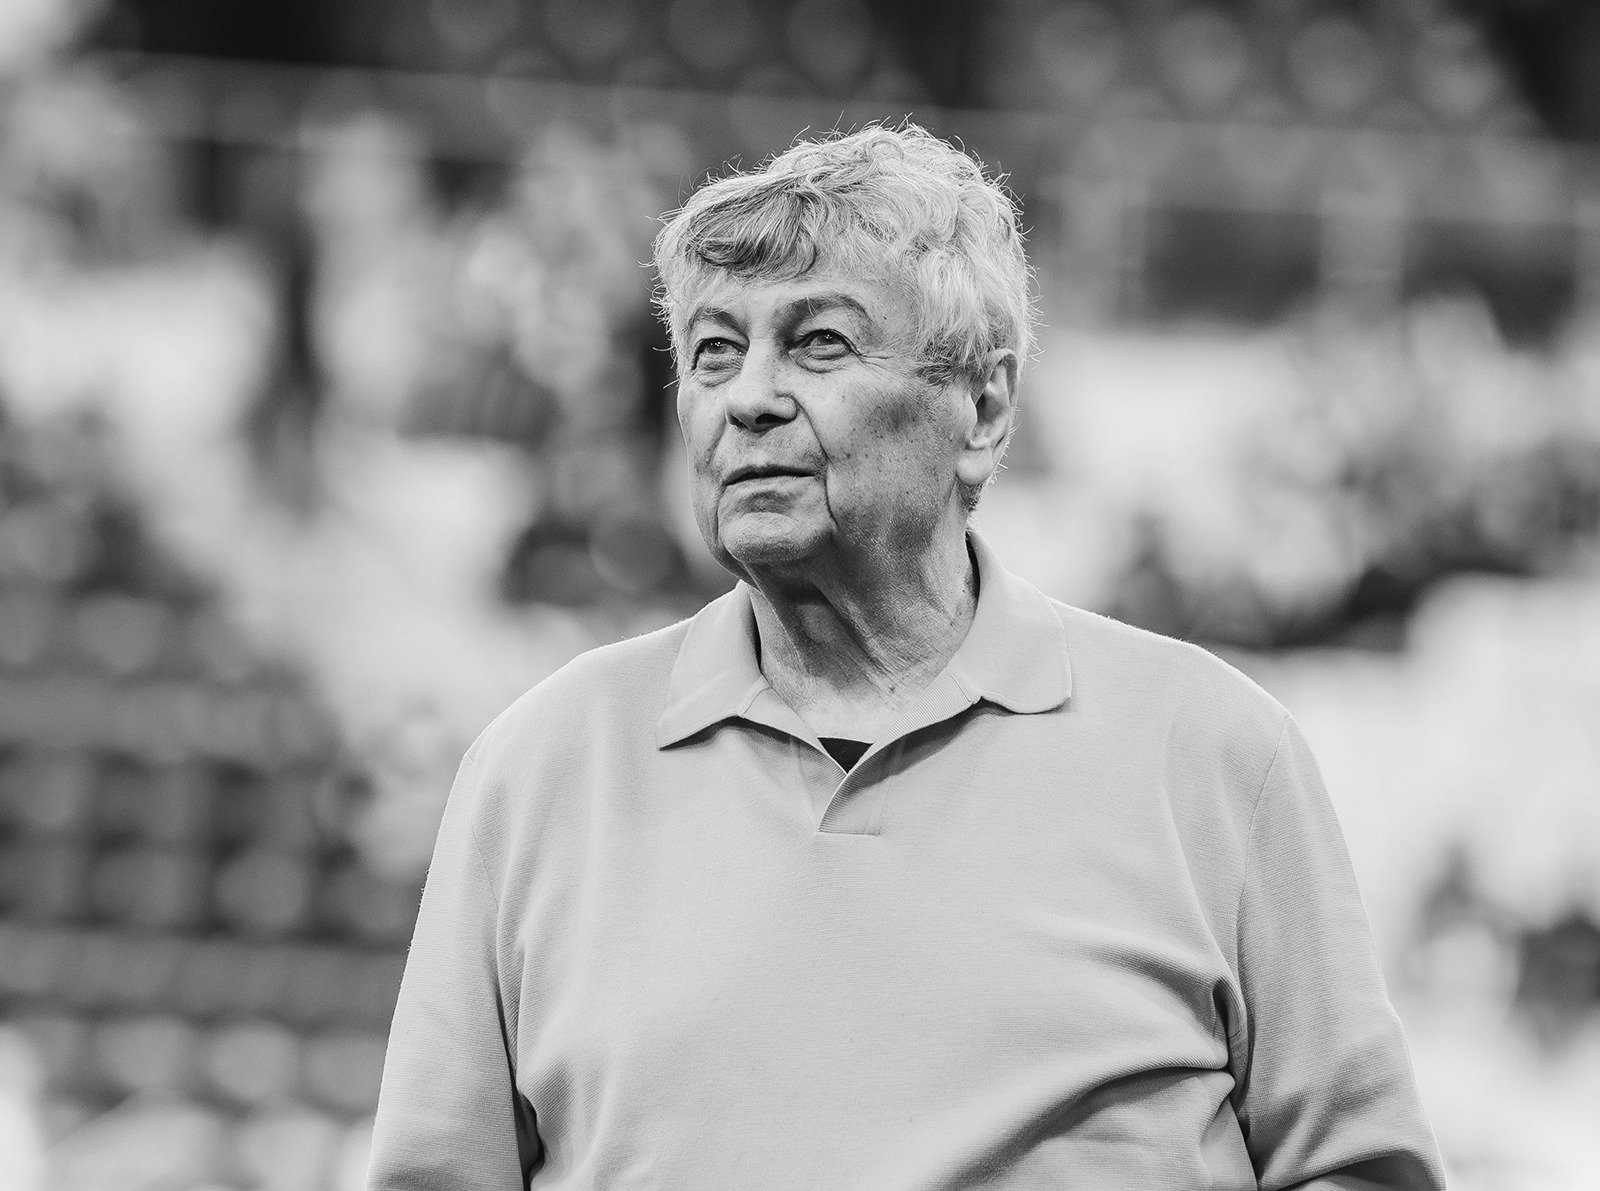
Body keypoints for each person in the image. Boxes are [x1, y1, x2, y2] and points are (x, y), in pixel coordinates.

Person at [367, 124, 1447, 1190]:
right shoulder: (538, 768)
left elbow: (1358, 1170)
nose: (747, 397)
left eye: (818, 343)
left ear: (982, 408)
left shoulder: (1212, 752)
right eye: (713, 351)